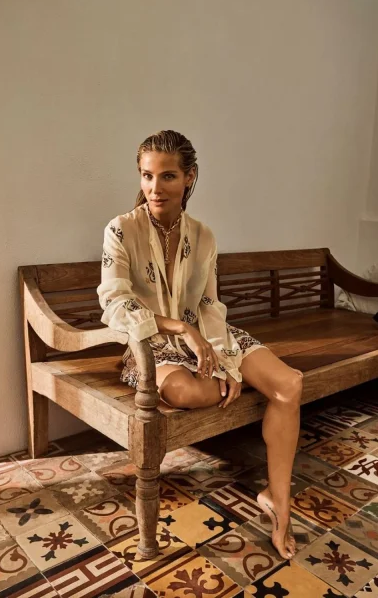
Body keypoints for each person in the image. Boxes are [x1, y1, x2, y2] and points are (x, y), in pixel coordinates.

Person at [97, 130, 303, 560]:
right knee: (186, 391)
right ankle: (241, 383)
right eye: (147, 175)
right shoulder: (120, 229)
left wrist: (225, 360)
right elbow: (114, 302)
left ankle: (278, 501)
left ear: (189, 177)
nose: (155, 188)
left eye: (168, 176)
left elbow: (209, 305)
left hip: (210, 337)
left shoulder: (204, 235)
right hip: (150, 343)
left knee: (290, 383)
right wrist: (180, 329)